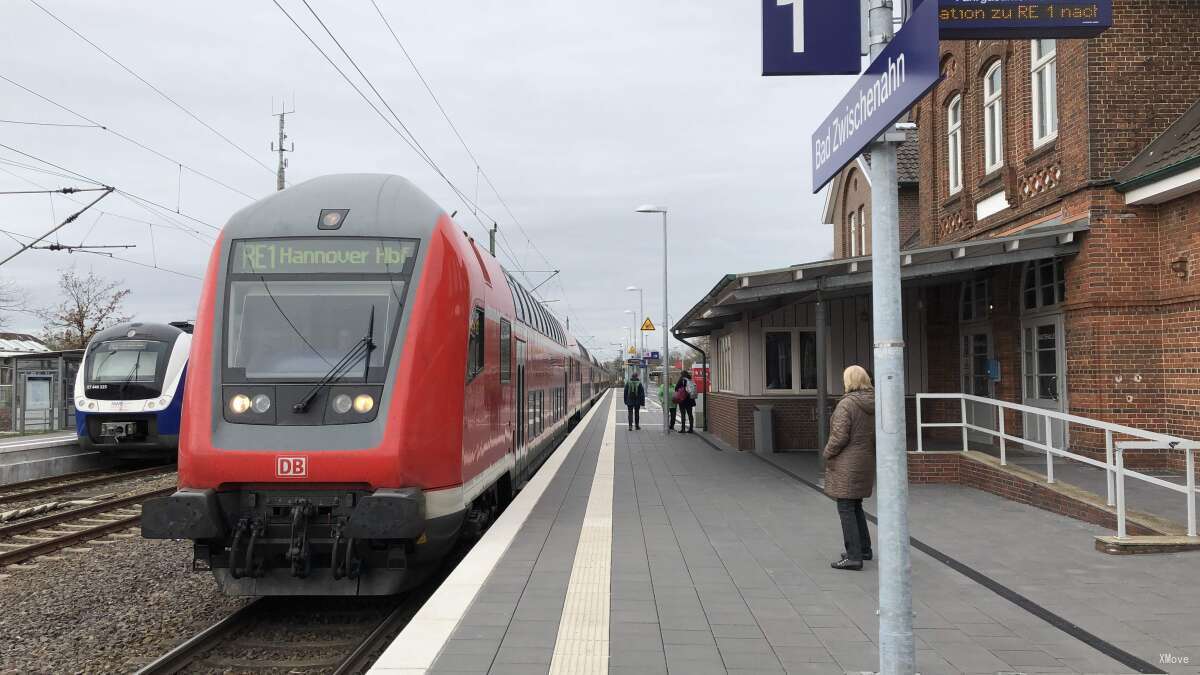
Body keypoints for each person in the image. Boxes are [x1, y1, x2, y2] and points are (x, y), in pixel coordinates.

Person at [823, 365, 876, 571]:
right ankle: (864, 549)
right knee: (855, 505)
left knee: (846, 507)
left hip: (847, 462)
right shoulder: (873, 402)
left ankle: (854, 556)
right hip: (864, 460)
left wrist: (827, 453)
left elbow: (839, 436)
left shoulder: (847, 404)